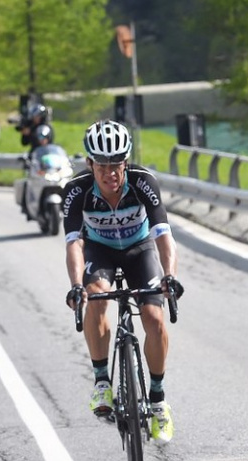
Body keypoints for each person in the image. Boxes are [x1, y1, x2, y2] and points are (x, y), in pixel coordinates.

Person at [63, 120, 183, 443]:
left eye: (116, 164)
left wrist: (170, 277)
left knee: (155, 319)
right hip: (99, 251)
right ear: (90, 164)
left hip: (138, 250)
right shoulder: (76, 190)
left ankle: (158, 401)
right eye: (101, 165)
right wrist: (77, 284)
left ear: (126, 162)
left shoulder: (144, 183)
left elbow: (163, 235)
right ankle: (102, 381)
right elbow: (74, 243)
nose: (109, 172)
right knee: (95, 297)